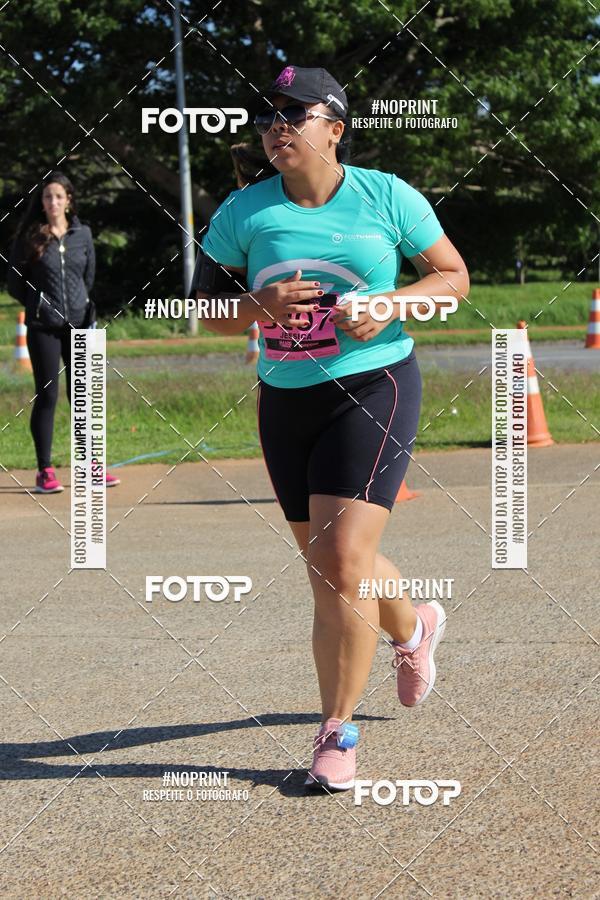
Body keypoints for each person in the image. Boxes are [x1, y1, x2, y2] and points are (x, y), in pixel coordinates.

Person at [191, 66, 469, 792]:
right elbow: (203, 310)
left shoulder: (386, 195)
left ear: (334, 128)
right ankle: (413, 629)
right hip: (286, 401)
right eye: (267, 112)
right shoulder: (244, 211)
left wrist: (393, 305)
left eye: (295, 112)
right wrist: (259, 304)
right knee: (334, 566)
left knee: (339, 565)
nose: (276, 123)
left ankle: (336, 732)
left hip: (374, 386)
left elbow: (453, 279)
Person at [7, 171, 120, 493]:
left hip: (81, 324)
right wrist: (39, 303)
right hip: (43, 327)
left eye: (58, 196)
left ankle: (89, 466)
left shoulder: (82, 234)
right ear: (41, 202)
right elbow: (15, 284)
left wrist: (79, 306)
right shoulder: (29, 237)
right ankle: (45, 470)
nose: (52, 202)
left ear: (68, 200)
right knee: (48, 396)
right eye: (47, 197)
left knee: (83, 398)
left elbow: (89, 276)